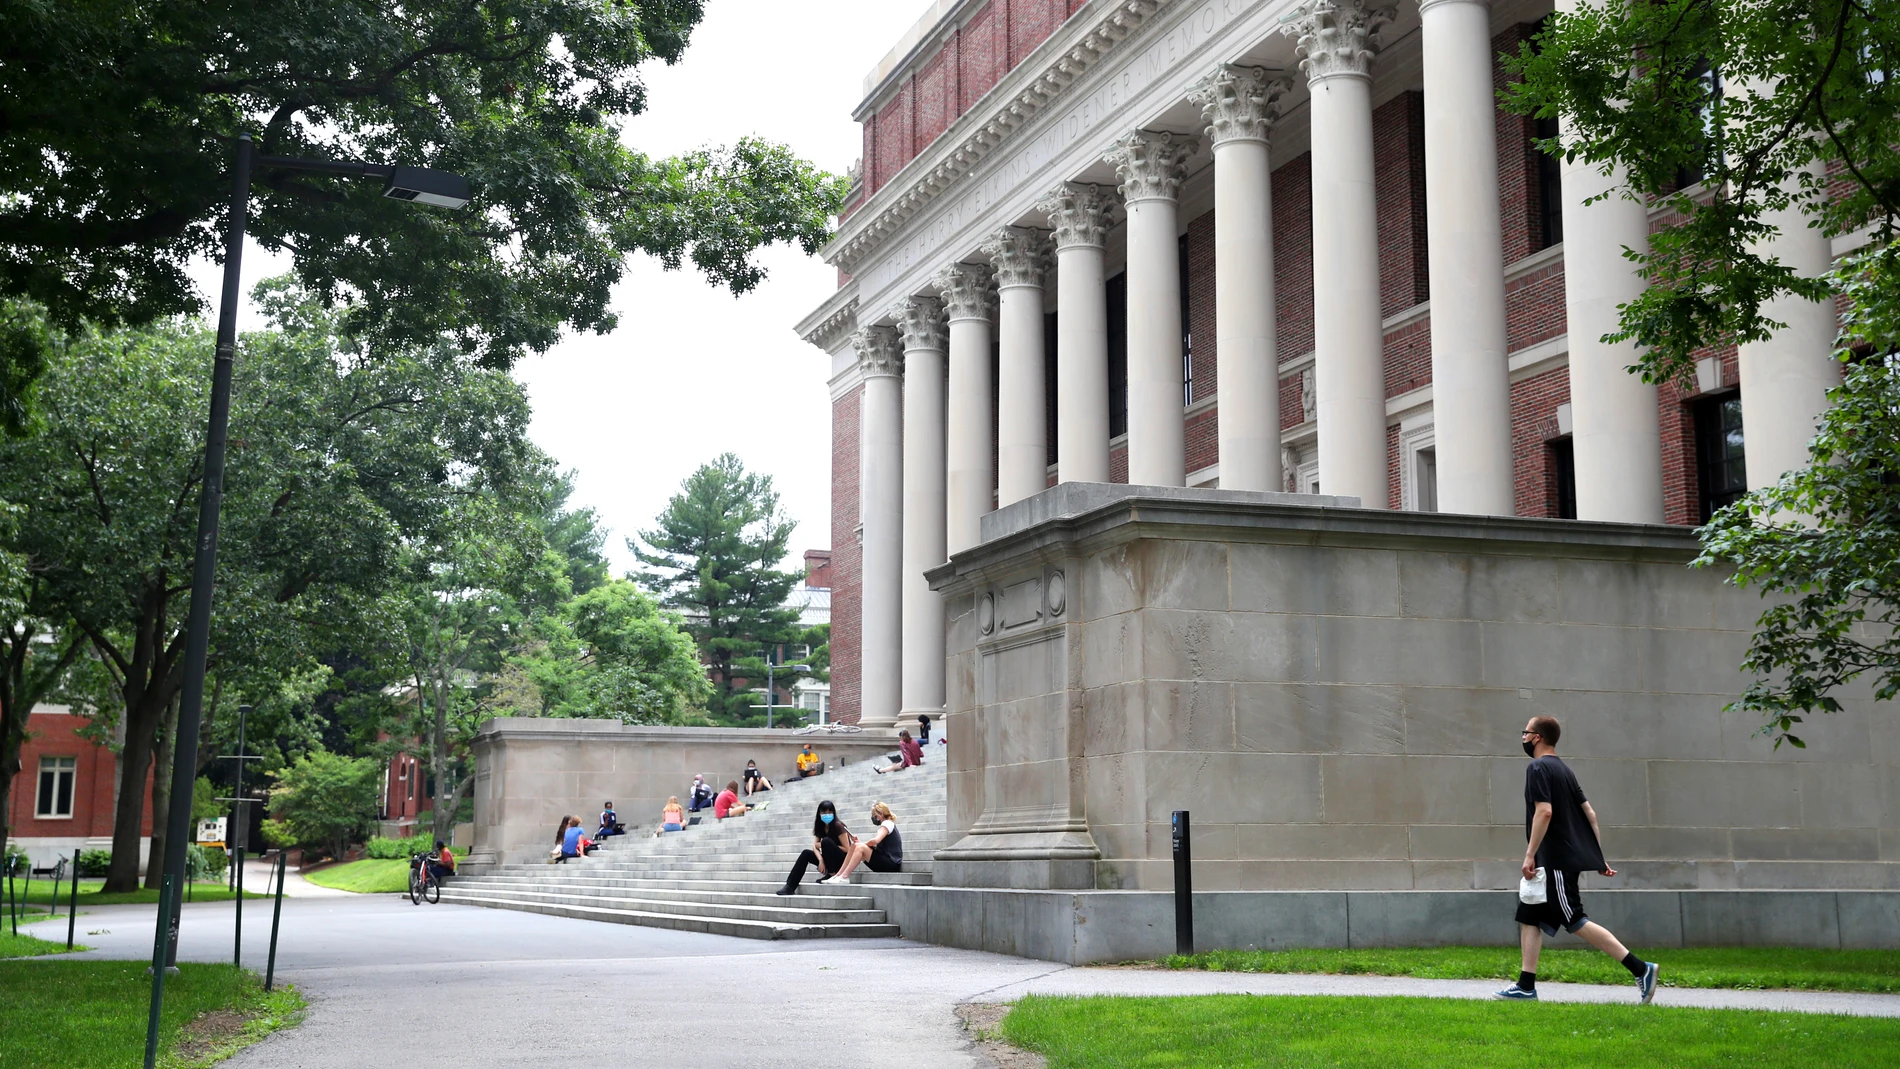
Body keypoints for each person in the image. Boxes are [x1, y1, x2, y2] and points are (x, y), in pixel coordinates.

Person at [1496, 715, 1659, 1003]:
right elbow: (1590, 815)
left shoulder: (1537, 768)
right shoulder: (1565, 771)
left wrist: (1530, 853)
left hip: (1554, 861)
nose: (1522, 737)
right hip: (1557, 861)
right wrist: (1598, 858)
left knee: (1574, 919)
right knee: (1529, 917)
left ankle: (1640, 968)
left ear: (1537, 737)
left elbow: (1544, 812)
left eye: (1526, 732)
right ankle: (1525, 985)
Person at [775, 800, 855, 895]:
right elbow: (814, 846)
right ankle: (790, 886)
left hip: (841, 862)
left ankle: (832, 874)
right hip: (828, 860)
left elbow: (848, 849)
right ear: (819, 813)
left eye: (829, 812)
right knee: (806, 853)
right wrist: (821, 860)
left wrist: (826, 844)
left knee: (826, 841)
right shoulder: (820, 826)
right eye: (824, 812)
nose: (827, 814)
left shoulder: (838, 826)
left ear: (834, 813)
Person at [830, 802, 903, 883]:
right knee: (855, 845)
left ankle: (844, 876)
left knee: (859, 847)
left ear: (881, 814)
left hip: (891, 864)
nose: (873, 817)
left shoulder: (887, 823)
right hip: (886, 861)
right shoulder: (886, 825)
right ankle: (838, 875)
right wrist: (860, 844)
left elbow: (876, 840)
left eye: (874, 815)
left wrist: (862, 845)